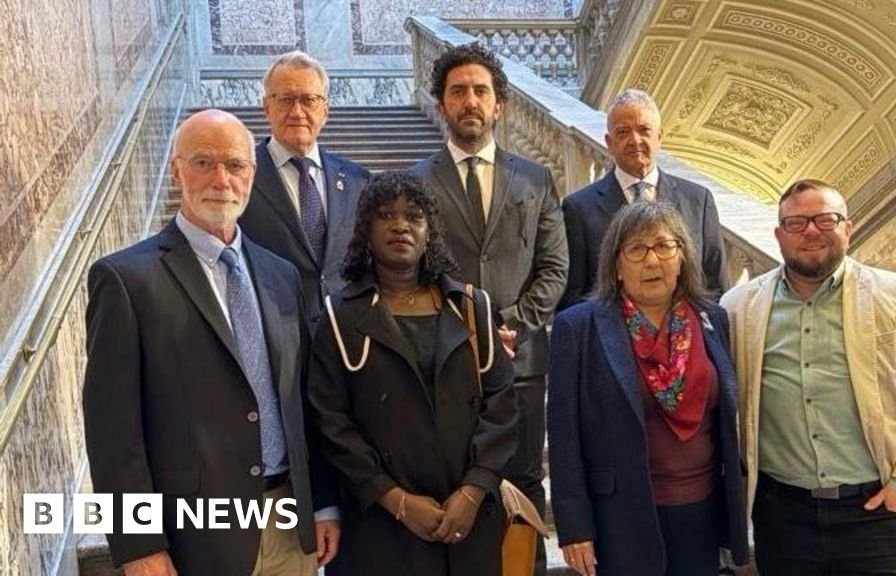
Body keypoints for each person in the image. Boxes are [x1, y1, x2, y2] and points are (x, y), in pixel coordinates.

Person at [82, 109, 339, 576]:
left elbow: (303, 402)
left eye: (235, 165)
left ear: (252, 175)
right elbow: (112, 432)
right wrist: (138, 545)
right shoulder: (126, 280)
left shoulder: (281, 275)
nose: (221, 180)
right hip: (195, 539)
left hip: (289, 527)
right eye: (203, 163)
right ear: (176, 171)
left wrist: (322, 502)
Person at [721, 179, 896, 575]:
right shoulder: (739, 307)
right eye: (796, 223)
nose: (811, 231)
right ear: (779, 234)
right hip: (784, 520)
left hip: (877, 515)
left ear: (848, 228)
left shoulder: (895, 295)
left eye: (825, 220)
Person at [308, 171, 518, 575]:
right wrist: (396, 500)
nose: (400, 225)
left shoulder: (471, 306)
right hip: (380, 527)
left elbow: (502, 407)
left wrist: (473, 491)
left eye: (414, 216)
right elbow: (330, 423)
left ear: (430, 232)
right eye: (386, 215)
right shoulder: (339, 316)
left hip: (468, 521)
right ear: (366, 230)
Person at [409, 42, 568, 574]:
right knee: (457, 489)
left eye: (480, 91)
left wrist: (509, 326)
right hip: (445, 368)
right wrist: (468, 333)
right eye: (458, 91)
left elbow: (554, 268)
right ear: (441, 104)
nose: (470, 101)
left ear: (499, 105)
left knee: (522, 487)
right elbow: (411, 273)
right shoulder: (416, 182)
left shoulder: (535, 179)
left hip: (521, 365)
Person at [548, 201, 749, 576]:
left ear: (682, 257)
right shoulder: (578, 328)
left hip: (703, 512)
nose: (652, 260)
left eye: (664, 246)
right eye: (636, 249)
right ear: (616, 265)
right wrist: (574, 527)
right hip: (620, 516)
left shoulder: (713, 319)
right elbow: (563, 436)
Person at [239, 50, 371, 331]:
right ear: (266, 107)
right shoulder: (241, 177)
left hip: (347, 333)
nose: (297, 112)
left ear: (325, 110)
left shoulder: (358, 181)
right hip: (273, 334)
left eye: (309, 100)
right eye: (286, 100)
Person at [559, 89, 727, 309]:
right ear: (609, 142)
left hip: (686, 327)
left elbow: (715, 287)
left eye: (644, 130)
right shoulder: (579, 208)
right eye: (623, 132)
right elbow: (573, 298)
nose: (635, 140)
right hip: (610, 328)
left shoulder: (698, 201)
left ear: (659, 137)